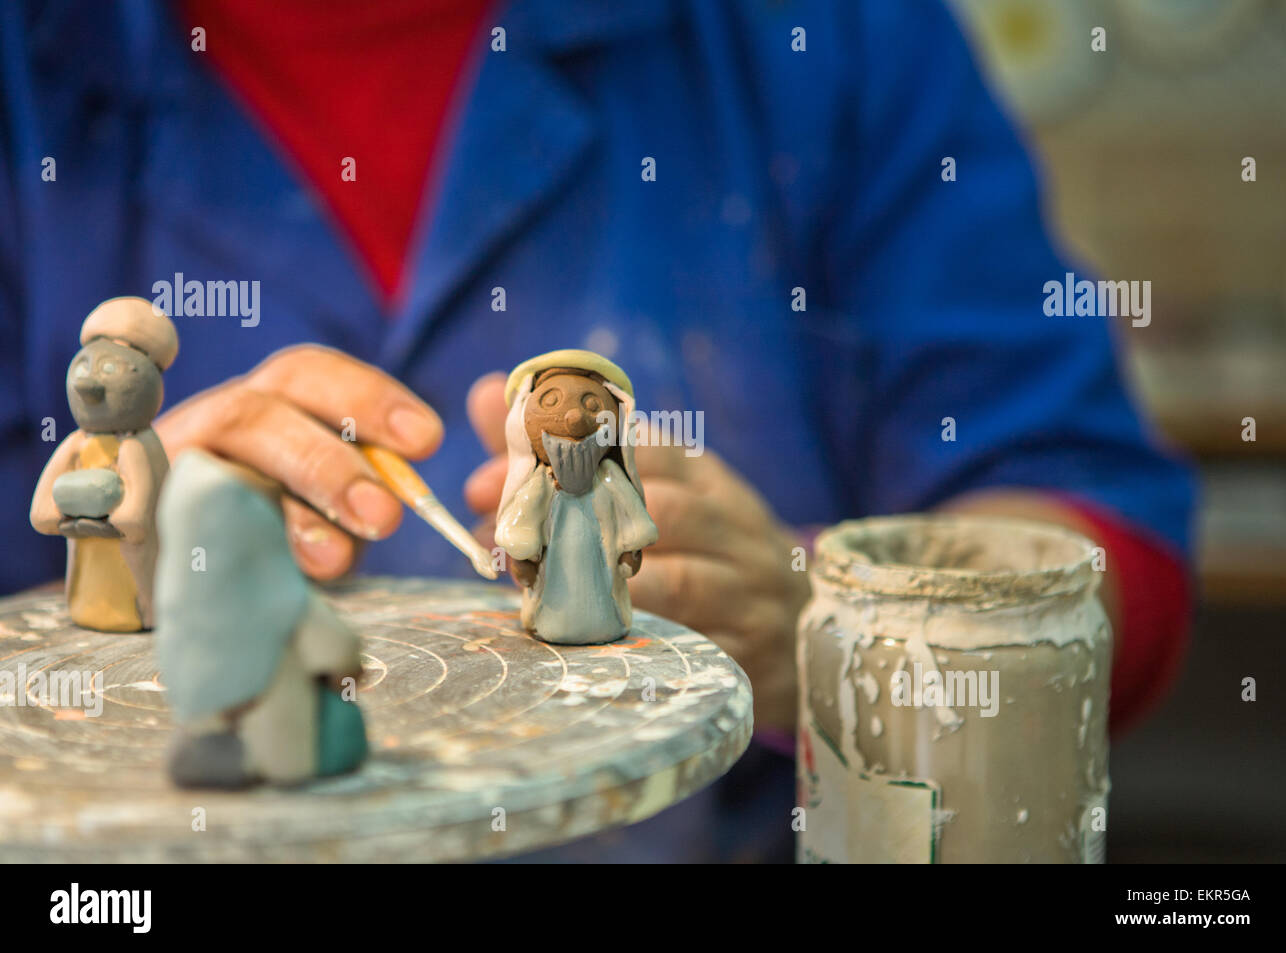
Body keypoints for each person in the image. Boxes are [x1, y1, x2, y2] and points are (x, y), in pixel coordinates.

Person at [0, 0, 1194, 862]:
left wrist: (839, 631)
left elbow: (1100, 541)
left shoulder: (830, 30)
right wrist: (142, 626)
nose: (567, 418)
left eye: (579, 406)